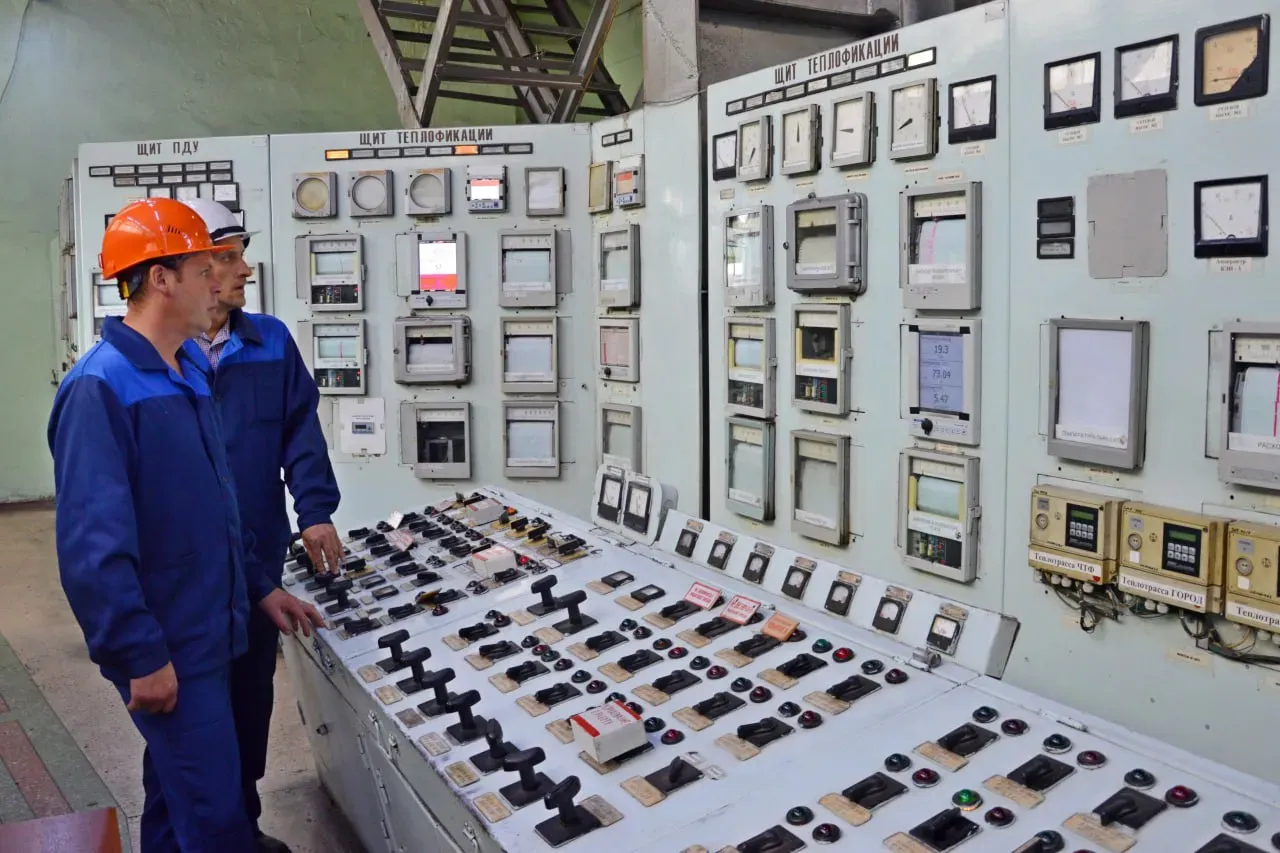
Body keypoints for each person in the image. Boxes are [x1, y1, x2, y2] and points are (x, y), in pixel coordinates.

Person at [47, 197, 324, 853]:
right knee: (217, 815)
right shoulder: (100, 387)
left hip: (219, 623)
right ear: (161, 278)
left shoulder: (187, 368)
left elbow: (219, 508)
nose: (223, 282)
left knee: (180, 795)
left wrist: (259, 584)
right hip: (171, 641)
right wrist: (139, 656)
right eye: (206, 269)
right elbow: (92, 549)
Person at [180, 198, 343, 852]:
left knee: (250, 698)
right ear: (187, 268)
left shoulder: (269, 340)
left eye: (241, 254)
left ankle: (240, 827)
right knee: (192, 713)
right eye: (227, 257)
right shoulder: (157, 355)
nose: (245, 269)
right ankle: (196, 835)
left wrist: (316, 511)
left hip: (259, 554)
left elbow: (300, 430)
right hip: (192, 565)